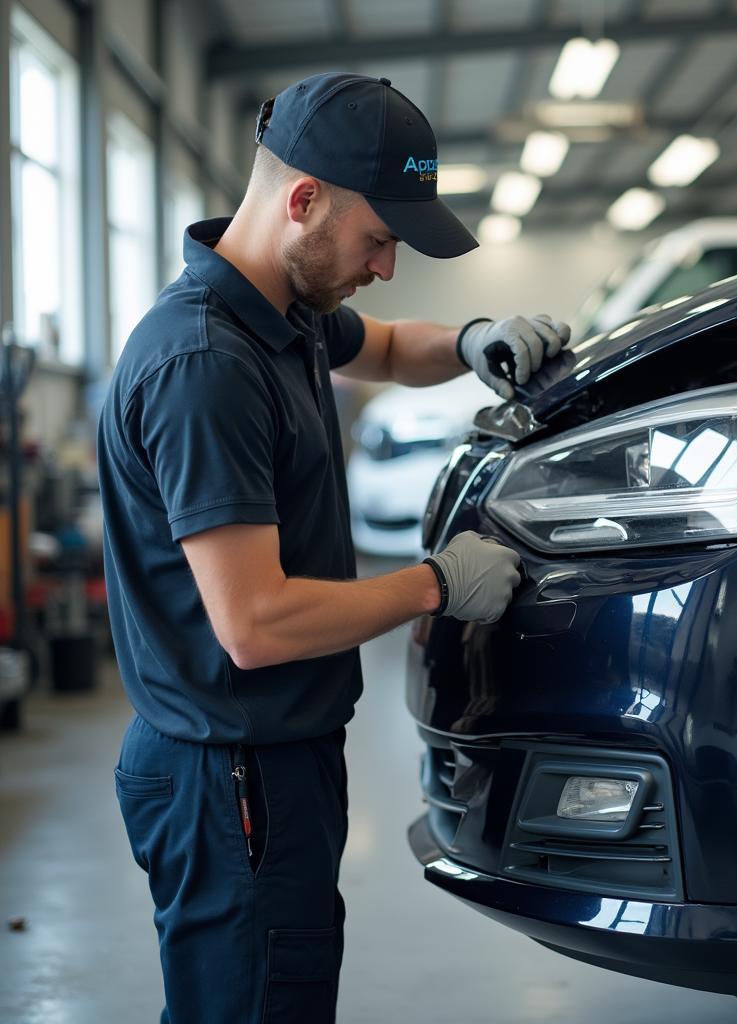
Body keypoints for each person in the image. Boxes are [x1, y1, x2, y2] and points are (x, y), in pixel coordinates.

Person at [96, 72, 570, 1023]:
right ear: (303, 201)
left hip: (271, 757)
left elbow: (388, 348)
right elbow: (256, 622)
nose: (386, 267)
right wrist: (435, 584)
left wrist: (474, 340)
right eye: (379, 241)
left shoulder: (280, 313)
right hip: (233, 780)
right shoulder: (208, 366)